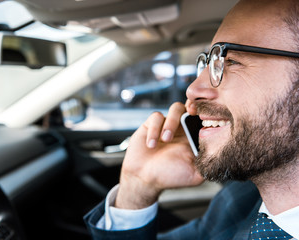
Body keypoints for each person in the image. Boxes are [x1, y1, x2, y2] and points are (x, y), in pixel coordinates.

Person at [84, 0, 299, 239]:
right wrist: (137, 188)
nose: (193, 90)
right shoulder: (238, 202)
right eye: (208, 63)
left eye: (231, 61)